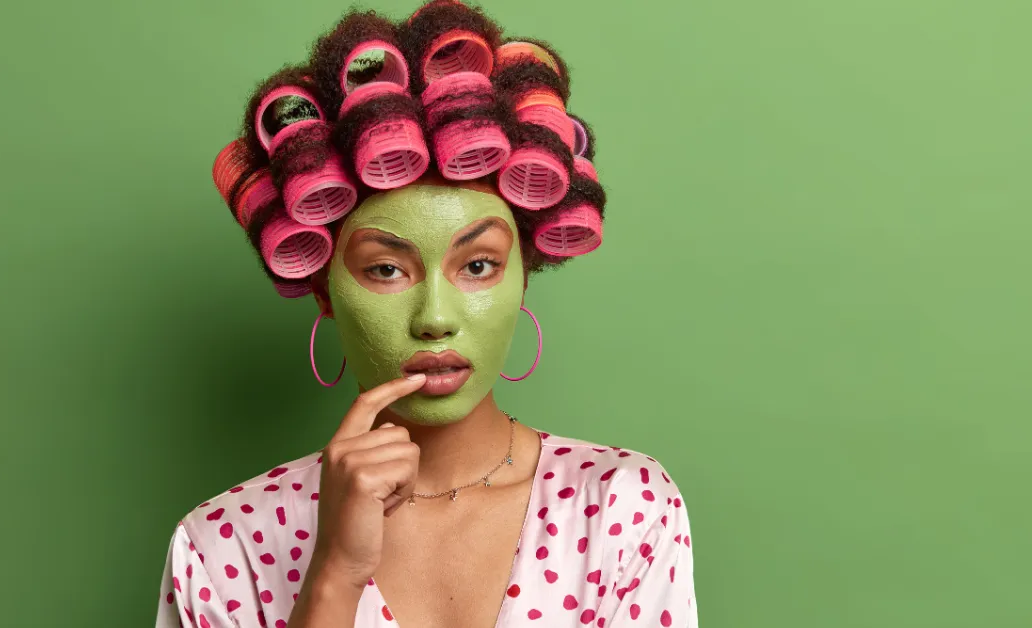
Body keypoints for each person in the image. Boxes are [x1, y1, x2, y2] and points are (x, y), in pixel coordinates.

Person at [156, 2, 697, 626]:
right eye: (386, 269)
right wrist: (333, 571)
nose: (435, 318)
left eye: (478, 266)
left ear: (524, 275)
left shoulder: (624, 507)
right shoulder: (224, 545)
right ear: (323, 289)